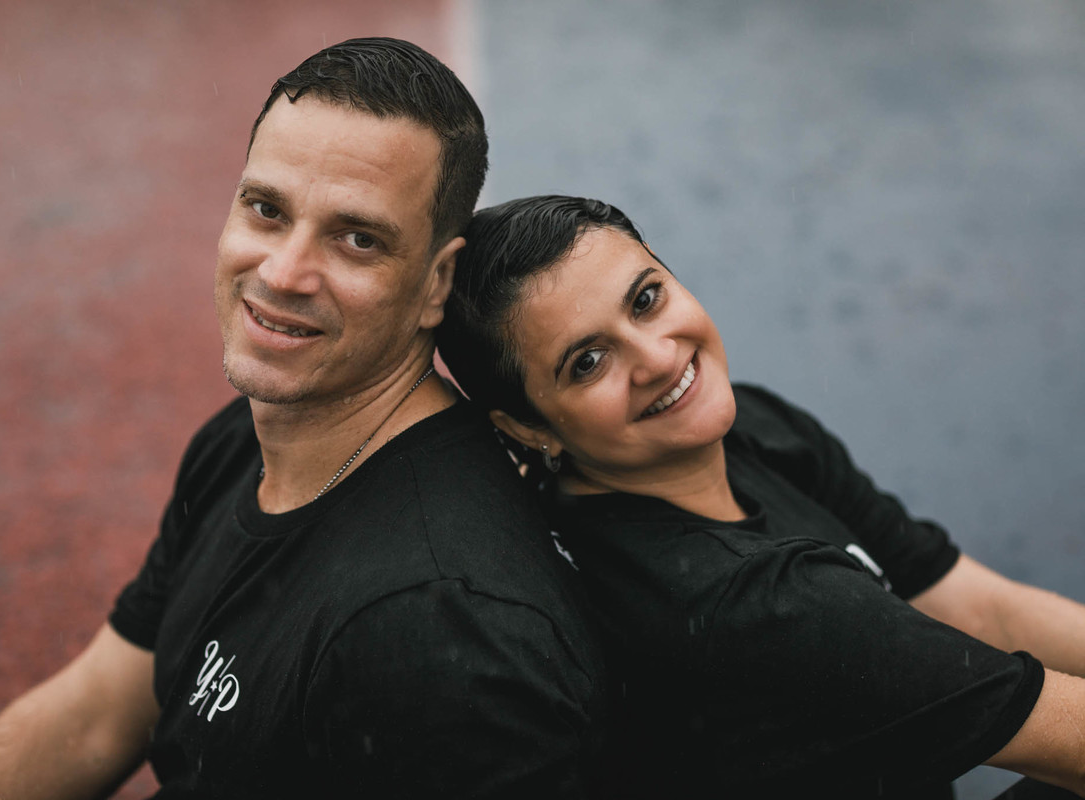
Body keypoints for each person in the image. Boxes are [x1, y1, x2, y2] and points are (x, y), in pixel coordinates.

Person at [0, 42, 606, 799]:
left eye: (356, 238)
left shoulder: (445, 627)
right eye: (267, 210)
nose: (283, 273)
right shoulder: (245, 441)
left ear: (437, 284)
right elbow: (98, 711)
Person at [436, 194, 1085, 799]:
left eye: (645, 299)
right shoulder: (748, 601)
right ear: (528, 427)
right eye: (587, 362)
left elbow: (978, 609)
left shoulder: (754, 429)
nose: (659, 358)